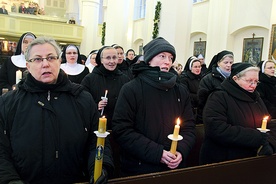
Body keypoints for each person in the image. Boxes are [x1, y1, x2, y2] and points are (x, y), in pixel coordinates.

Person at [0, 37, 114, 183]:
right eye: (37, 59)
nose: (45, 64)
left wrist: (100, 167)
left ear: (59, 61)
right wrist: (9, 180)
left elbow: (96, 141)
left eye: (51, 58)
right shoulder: (8, 103)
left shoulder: (81, 98)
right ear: (28, 66)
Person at [112, 37, 196, 177]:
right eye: (162, 56)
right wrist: (158, 153)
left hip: (174, 166)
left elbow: (189, 127)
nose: (167, 61)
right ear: (149, 59)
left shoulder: (180, 90)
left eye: (170, 58)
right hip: (140, 167)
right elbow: (122, 129)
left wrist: (180, 151)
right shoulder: (132, 89)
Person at [200, 63, 276, 165]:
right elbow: (216, 128)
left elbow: (268, 123)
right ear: (235, 78)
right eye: (249, 81)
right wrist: (257, 137)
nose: (253, 85)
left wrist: (270, 143)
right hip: (224, 159)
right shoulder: (219, 96)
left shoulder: (255, 97)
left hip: (252, 158)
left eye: (256, 82)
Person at [81, 46, 130, 130]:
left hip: (119, 126)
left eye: (114, 57)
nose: (111, 61)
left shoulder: (124, 79)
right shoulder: (90, 79)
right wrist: (96, 105)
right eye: (108, 58)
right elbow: (82, 102)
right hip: (96, 125)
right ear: (101, 60)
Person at [197, 50, 234, 124]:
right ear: (218, 63)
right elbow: (202, 100)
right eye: (226, 62)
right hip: (213, 116)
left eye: (231, 62)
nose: (229, 65)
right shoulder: (208, 79)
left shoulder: (234, 78)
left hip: (230, 116)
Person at [179, 56, 202, 123]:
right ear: (190, 67)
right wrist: (199, 97)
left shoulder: (202, 78)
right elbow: (185, 94)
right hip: (190, 109)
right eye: (195, 67)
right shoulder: (184, 79)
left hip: (200, 109)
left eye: (199, 66)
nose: (198, 69)